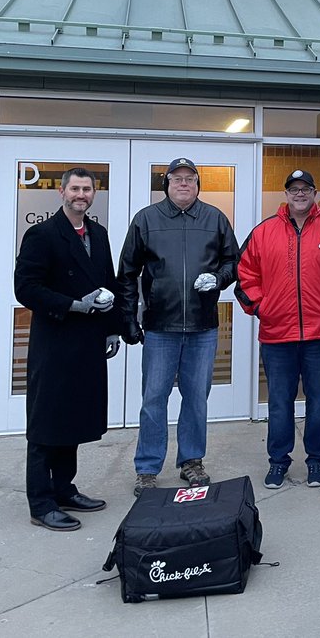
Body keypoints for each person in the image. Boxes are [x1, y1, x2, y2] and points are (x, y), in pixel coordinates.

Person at [117, 157, 240, 497]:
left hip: (202, 327)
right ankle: (147, 468)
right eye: (177, 178)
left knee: (196, 397)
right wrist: (127, 317)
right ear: (167, 184)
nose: (183, 184)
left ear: (198, 184)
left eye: (190, 178)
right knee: (153, 398)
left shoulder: (214, 218)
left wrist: (217, 279)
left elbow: (235, 262)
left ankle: (191, 461)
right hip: (160, 326)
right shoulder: (147, 219)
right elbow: (127, 271)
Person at [14, 167, 120, 532]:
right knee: (46, 423)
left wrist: (112, 330)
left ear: (94, 194)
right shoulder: (42, 235)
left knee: (73, 420)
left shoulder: (99, 234)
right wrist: (75, 305)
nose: (81, 194)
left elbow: (109, 283)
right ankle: (41, 503)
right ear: (61, 192)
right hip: (55, 343)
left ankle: (64, 488)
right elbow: (26, 289)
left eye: (87, 189)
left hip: (88, 342)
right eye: (74, 188)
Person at [236, 169, 320, 490]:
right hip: (277, 336)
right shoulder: (264, 232)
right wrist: (263, 308)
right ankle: (278, 462)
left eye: (306, 188)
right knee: (279, 402)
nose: (300, 194)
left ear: (314, 193)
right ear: (285, 194)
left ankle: (317, 460)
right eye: (294, 189)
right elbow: (244, 275)